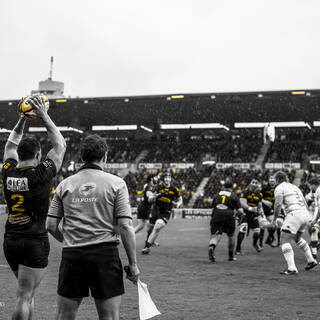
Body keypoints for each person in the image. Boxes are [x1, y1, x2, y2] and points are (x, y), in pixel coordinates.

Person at [46, 134, 140, 320]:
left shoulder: (65, 184)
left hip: (72, 256)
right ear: (104, 156)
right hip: (104, 256)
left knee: (64, 316)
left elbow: (50, 225)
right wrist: (133, 265)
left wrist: (71, 240)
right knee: (109, 317)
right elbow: (125, 226)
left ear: (82, 157)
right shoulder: (117, 184)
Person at [2, 95, 66, 320]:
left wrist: (22, 118)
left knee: (27, 296)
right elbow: (60, 145)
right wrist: (44, 115)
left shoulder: (8, 171)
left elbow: (10, 144)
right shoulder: (41, 173)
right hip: (33, 241)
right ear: (38, 155)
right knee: (24, 296)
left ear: (19, 154)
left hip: (11, 240)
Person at [273, 171, 317, 275]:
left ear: (277, 179)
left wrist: (275, 218)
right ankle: (311, 260)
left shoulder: (280, 187)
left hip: (294, 213)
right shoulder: (294, 187)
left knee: (284, 240)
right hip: (305, 213)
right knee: (296, 238)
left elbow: (278, 203)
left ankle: (292, 268)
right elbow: (305, 203)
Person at [142, 172, 182, 254]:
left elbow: (180, 199)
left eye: (169, 178)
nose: (167, 179)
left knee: (157, 227)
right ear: (163, 179)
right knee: (150, 228)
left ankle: (147, 247)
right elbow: (149, 199)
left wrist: (178, 204)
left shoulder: (174, 189)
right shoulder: (158, 187)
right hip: (155, 210)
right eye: (166, 178)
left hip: (165, 212)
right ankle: (150, 242)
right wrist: (154, 197)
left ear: (170, 179)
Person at [208, 178, 244, 262]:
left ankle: (212, 247)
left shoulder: (217, 195)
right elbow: (240, 211)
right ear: (232, 187)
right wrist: (239, 217)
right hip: (228, 215)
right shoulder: (234, 195)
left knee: (216, 235)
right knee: (231, 236)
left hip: (216, 214)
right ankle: (231, 256)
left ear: (224, 186)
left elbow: (213, 206)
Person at [235, 179, 264, 254]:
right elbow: (242, 203)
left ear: (257, 185)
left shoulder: (259, 194)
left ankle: (254, 244)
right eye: (253, 182)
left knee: (257, 232)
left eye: (256, 183)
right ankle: (238, 249)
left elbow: (260, 205)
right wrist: (251, 208)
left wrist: (261, 211)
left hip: (253, 215)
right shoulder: (245, 192)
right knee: (243, 230)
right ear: (250, 183)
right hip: (244, 214)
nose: (254, 184)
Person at [260, 175, 279, 247]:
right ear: (268, 180)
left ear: (275, 180)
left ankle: (269, 239)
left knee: (274, 225)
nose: (272, 179)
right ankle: (260, 244)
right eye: (270, 178)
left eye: (273, 178)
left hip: (271, 210)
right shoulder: (264, 188)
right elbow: (259, 197)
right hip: (263, 209)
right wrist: (265, 201)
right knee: (262, 226)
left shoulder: (278, 188)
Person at [307, 176, 320, 259]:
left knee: (314, 228)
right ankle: (314, 253)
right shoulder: (315, 191)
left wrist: (315, 219)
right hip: (317, 214)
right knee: (313, 229)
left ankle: (314, 251)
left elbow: (319, 207)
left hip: (318, 214)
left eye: (310, 185)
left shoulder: (319, 191)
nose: (310, 187)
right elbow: (308, 197)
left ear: (313, 185)